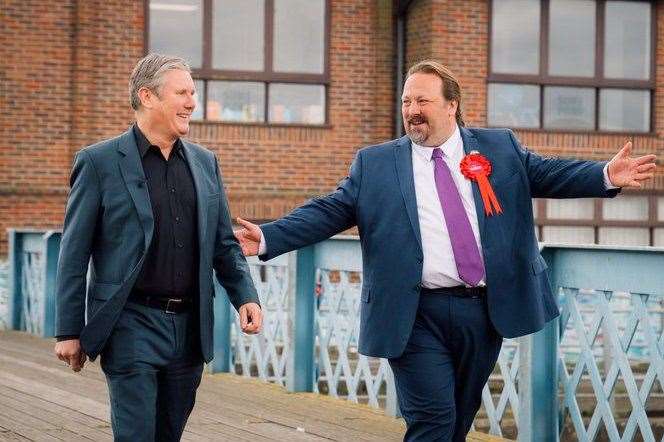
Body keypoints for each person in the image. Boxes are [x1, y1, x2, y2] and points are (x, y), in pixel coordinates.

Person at [234, 60, 656, 441]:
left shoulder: (498, 148)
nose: (412, 110)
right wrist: (270, 237)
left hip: (484, 311)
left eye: (422, 100)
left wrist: (604, 173)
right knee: (433, 420)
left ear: (451, 105)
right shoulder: (375, 163)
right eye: (406, 101)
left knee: (457, 420)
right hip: (413, 314)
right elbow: (331, 210)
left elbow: (550, 174)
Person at [53, 53, 262, 442]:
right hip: (130, 323)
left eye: (193, 93)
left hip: (189, 329)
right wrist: (68, 330)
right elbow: (73, 253)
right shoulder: (98, 162)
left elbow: (222, 244)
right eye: (182, 93)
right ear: (148, 96)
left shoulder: (204, 163)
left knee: (169, 434)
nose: (192, 102)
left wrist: (246, 296)